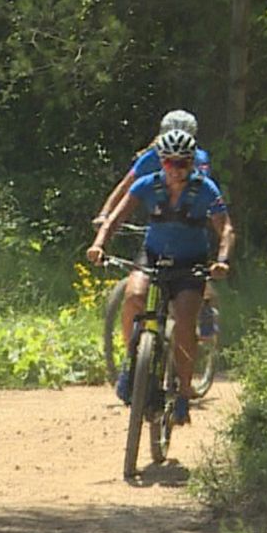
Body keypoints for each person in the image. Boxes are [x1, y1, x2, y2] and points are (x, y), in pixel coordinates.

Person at [86, 129, 232, 426]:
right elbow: (116, 218)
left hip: (190, 262)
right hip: (153, 256)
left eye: (182, 163)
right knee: (134, 297)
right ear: (161, 162)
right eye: (169, 163)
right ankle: (131, 362)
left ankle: (183, 391)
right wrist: (99, 244)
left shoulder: (206, 189)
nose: (175, 170)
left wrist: (221, 260)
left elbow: (226, 228)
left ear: (192, 163)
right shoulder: (147, 184)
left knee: (185, 321)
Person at [92, 108, 229, 348]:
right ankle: (132, 355)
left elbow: (202, 190)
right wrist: (105, 215)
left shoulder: (198, 158)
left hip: (192, 217)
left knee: (195, 266)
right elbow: (126, 186)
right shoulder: (151, 156)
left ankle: (206, 304)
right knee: (141, 282)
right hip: (158, 216)